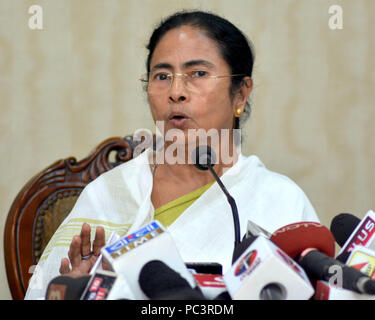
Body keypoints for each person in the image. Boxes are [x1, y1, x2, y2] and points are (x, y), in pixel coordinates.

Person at [24, 10, 319, 300]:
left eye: (198, 74)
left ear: (240, 93)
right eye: (162, 76)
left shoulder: (279, 200)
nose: (176, 91)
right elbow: (45, 291)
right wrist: (78, 291)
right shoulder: (110, 194)